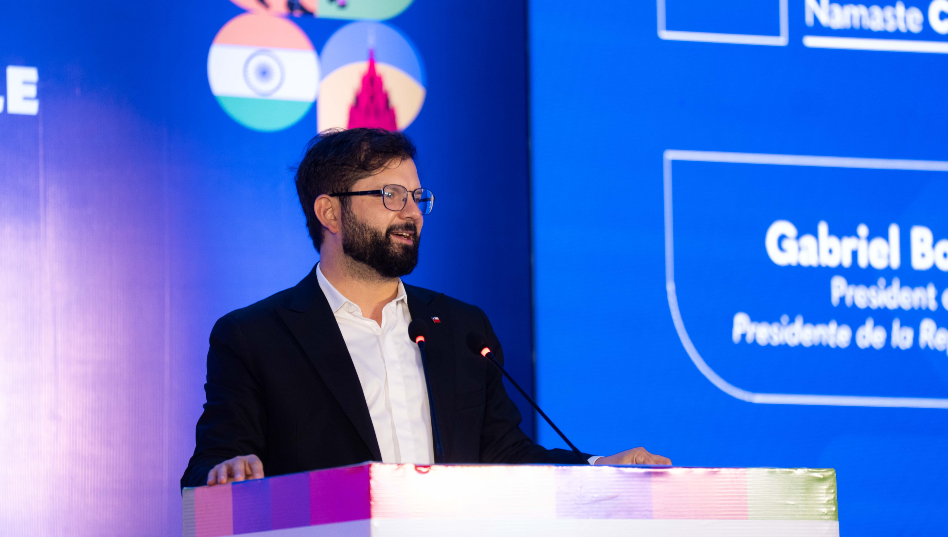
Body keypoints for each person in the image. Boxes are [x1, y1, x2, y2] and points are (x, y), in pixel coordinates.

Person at [180, 128, 670, 488]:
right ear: (329, 212)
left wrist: (597, 467)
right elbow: (211, 466)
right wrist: (228, 472)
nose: (412, 212)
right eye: (390, 196)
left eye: (417, 197)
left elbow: (506, 456)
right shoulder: (256, 336)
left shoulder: (460, 328)